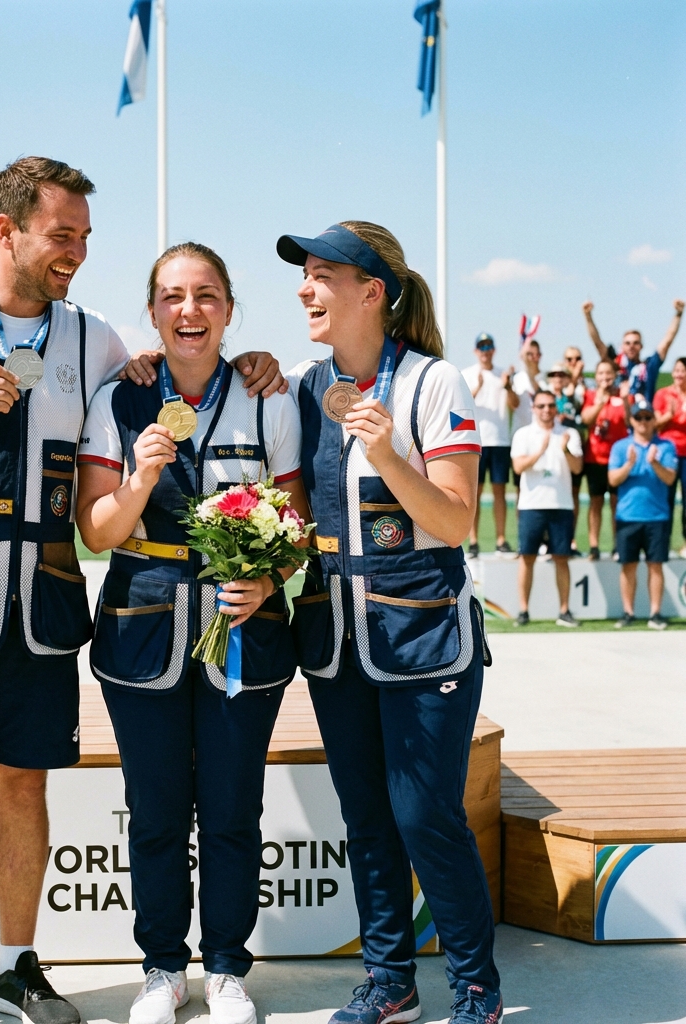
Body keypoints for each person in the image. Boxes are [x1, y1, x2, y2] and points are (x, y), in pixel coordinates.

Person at [0, 157, 285, 1024]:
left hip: (42, 612)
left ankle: (16, 967)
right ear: (6, 231)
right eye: (61, 235)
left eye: (84, 238)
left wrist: (250, 363)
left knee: (23, 789)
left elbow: (168, 376)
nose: (76, 254)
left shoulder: (95, 341)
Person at [76, 243, 309, 1024]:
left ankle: (227, 969)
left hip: (248, 630)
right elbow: (98, 532)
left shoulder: (268, 397)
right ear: (152, 312)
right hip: (142, 628)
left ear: (230, 310)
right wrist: (141, 476)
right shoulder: (119, 399)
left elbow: (298, 519)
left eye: (207, 296)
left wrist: (270, 574)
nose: (190, 311)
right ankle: (161, 968)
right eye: (173, 296)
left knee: (234, 808)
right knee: (156, 811)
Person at [277, 221, 501, 1024]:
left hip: (424, 633)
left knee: (424, 814)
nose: (306, 289)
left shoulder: (435, 383)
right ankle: (390, 980)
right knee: (365, 815)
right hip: (335, 637)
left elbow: (458, 519)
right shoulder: (304, 385)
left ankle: (476, 984)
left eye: (322, 275)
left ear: (371, 292)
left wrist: (385, 446)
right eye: (304, 275)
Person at [510, 391, 584, 627]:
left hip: (561, 505)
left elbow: (577, 468)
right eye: (541, 405)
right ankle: (523, 610)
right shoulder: (523, 434)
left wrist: (564, 450)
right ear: (533, 408)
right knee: (527, 557)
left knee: (561, 558)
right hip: (532, 505)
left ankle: (564, 610)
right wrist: (540, 451)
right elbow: (519, 466)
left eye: (551, 405)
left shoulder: (569, 433)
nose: (546, 410)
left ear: (556, 408)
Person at [608, 398, 678, 629]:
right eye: (639, 417)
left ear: (654, 420)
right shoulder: (621, 447)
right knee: (628, 565)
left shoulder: (666, 446)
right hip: (628, 515)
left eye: (648, 417)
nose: (643, 422)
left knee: (655, 565)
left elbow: (669, 478)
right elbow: (612, 479)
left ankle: (655, 613)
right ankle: (628, 612)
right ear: (632, 420)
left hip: (657, 516)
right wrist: (629, 464)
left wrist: (655, 463)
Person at [461, 334, 518, 557]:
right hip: (476, 441)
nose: (485, 350)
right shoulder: (466, 374)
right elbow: (462, 407)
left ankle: (501, 539)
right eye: (481, 347)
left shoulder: (503, 375)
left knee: (500, 492)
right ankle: (473, 541)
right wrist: (477, 387)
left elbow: (514, 404)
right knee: (473, 493)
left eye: (489, 346)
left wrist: (508, 386)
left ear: (494, 350)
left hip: (500, 441)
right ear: (476, 351)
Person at [582, 299, 684, 403]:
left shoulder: (649, 366)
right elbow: (598, 343)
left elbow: (667, 342)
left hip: (643, 415)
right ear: (622, 346)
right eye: (627, 343)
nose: (631, 346)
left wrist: (678, 314)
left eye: (635, 343)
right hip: (619, 415)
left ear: (641, 346)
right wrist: (588, 316)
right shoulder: (616, 363)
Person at [581, 360, 629, 560]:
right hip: (595, 458)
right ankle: (594, 545)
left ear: (615, 374)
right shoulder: (590, 395)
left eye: (608, 373)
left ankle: (618, 545)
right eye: (600, 373)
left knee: (617, 504)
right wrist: (600, 401)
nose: (604, 377)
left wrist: (625, 400)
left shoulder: (623, 395)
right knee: (596, 503)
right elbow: (585, 419)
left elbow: (630, 421)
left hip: (617, 460)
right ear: (596, 376)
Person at [545, 362, 585, 552]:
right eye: (554, 374)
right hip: (549, 447)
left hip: (570, 446)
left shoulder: (575, 398)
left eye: (562, 374)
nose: (558, 377)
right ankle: (544, 540)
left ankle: (570, 538)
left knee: (572, 495)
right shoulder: (544, 395)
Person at [654, 355, 686, 556]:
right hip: (668, 453)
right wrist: (669, 415)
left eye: (682, 371)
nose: (679, 374)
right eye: (676, 370)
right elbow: (654, 425)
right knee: (665, 499)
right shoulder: (663, 394)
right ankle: (662, 544)